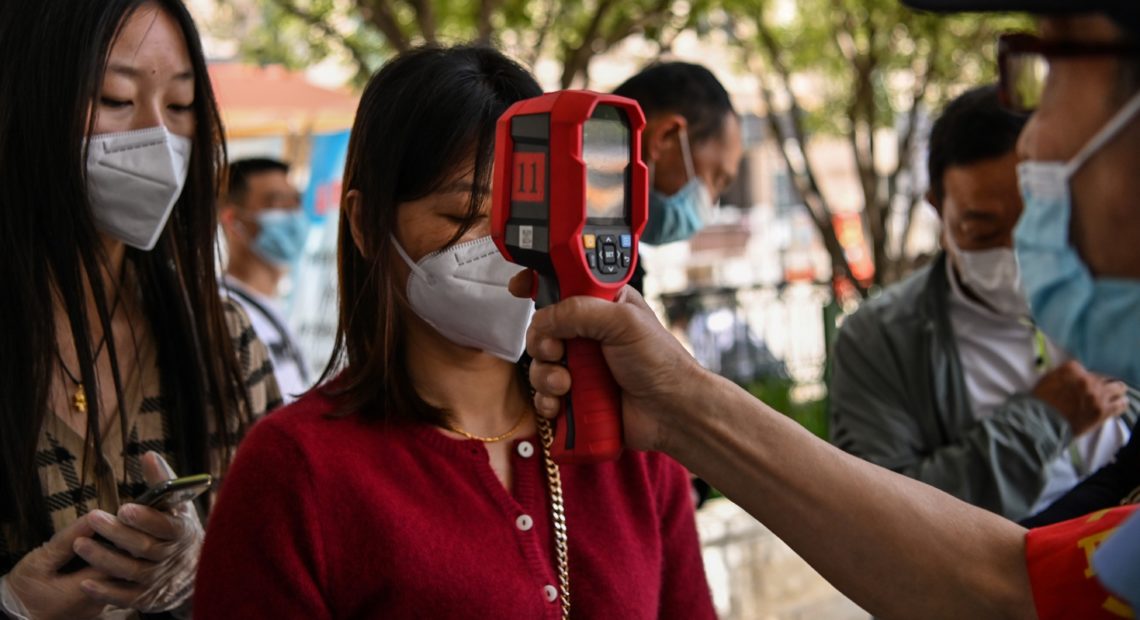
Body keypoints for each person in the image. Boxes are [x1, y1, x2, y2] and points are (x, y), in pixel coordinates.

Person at [520, 2, 1140, 617]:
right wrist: (682, 410)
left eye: (1052, 60)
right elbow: (1009, 584)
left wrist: (687, 412)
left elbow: (1002, 588)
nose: (1033, 139)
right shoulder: (884, 337)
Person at [193, 45, 715, 619]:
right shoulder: (295, 472)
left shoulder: (631, 446)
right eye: (463, 215)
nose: (502, 248)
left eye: (524, 215)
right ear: (367, 224)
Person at [0, 2, 281, 619]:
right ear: (24, 100)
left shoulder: (223, 343)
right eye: (115, 98)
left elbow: (288, 574)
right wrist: (13, 606)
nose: (158, 136)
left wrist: (203, 578)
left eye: (180, 107)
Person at [830, 84, 1136, 520]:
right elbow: (883, 521)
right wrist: (1043, 420)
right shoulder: (881, 339)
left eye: (1037, 221)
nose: (1017, 251)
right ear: (937, 207)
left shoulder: (1114, 284)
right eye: (983, 231)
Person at [612, 62, 744, 292]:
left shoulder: (616, 261)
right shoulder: (596, 268)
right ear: (666, 138)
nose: (711, 204)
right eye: (717, 179)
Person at [220, 158, 312, 402]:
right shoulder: (223, 313)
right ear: (233, 221)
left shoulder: (272, 307)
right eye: (277, 202)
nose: (293, 215)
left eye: (296, 201)